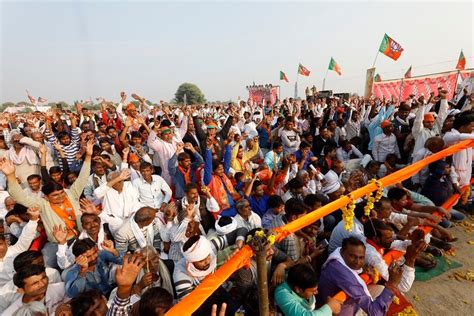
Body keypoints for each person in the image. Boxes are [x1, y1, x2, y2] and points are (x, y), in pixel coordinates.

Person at [0, 140, 94, 269]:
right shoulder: (42, 203)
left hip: (81, 237)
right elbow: (19, 197)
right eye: (55, 195)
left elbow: (82, 178)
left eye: (61, 193)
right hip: (56, 243)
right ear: (46, 196)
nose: (61, 197)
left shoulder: (71, 194)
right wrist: (10, 176)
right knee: (47, 267)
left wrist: (88, 156)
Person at [318, 237, 402, 316]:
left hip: (344, 301)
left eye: (361, 258)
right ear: (343, 251)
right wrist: (392, 284)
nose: (357, 262)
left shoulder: (338, 254)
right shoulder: (344, 274)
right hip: (337, 311)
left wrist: (363, 270)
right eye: (352, 256)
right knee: (386, 293)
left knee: (380, 289)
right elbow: (375, 313)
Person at [275, 263, 341, 316]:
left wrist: (282, 265)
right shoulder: (282, 294)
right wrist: (329, 307)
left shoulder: (298, 278)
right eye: (313, 291)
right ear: (298, 289)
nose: (316, 292)